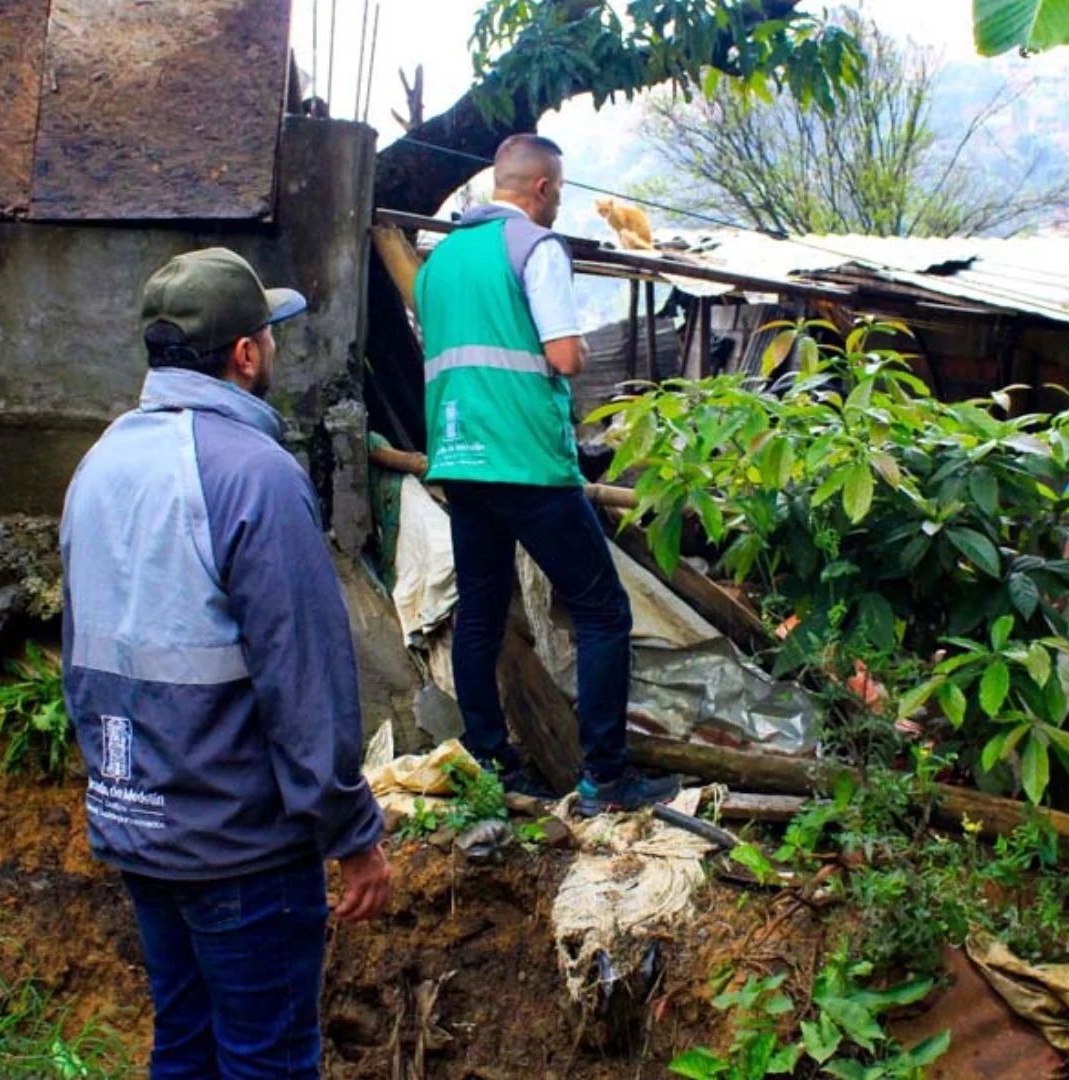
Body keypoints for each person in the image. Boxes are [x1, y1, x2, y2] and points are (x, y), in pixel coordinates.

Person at [60, 247, 391, 1079]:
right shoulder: (256, 476)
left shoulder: (99, 466)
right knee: (267, 1062)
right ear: (246, 354)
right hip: (241, 845)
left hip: (140, 828)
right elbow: (304, 682)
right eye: (268, 336)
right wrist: (351, 830)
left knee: (185, 1047)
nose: (273, 350)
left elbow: (81, 660)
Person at [413, 133, 679, 817]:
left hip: (459, 462)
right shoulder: (535, 248)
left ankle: (491, 765)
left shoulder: (437, 263)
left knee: (478, 613)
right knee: (602, 611)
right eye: (557, 189)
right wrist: (579, 346)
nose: (558, 200)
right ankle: (605, 781)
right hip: (527, 461)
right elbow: (562, 356)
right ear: (541, 188)